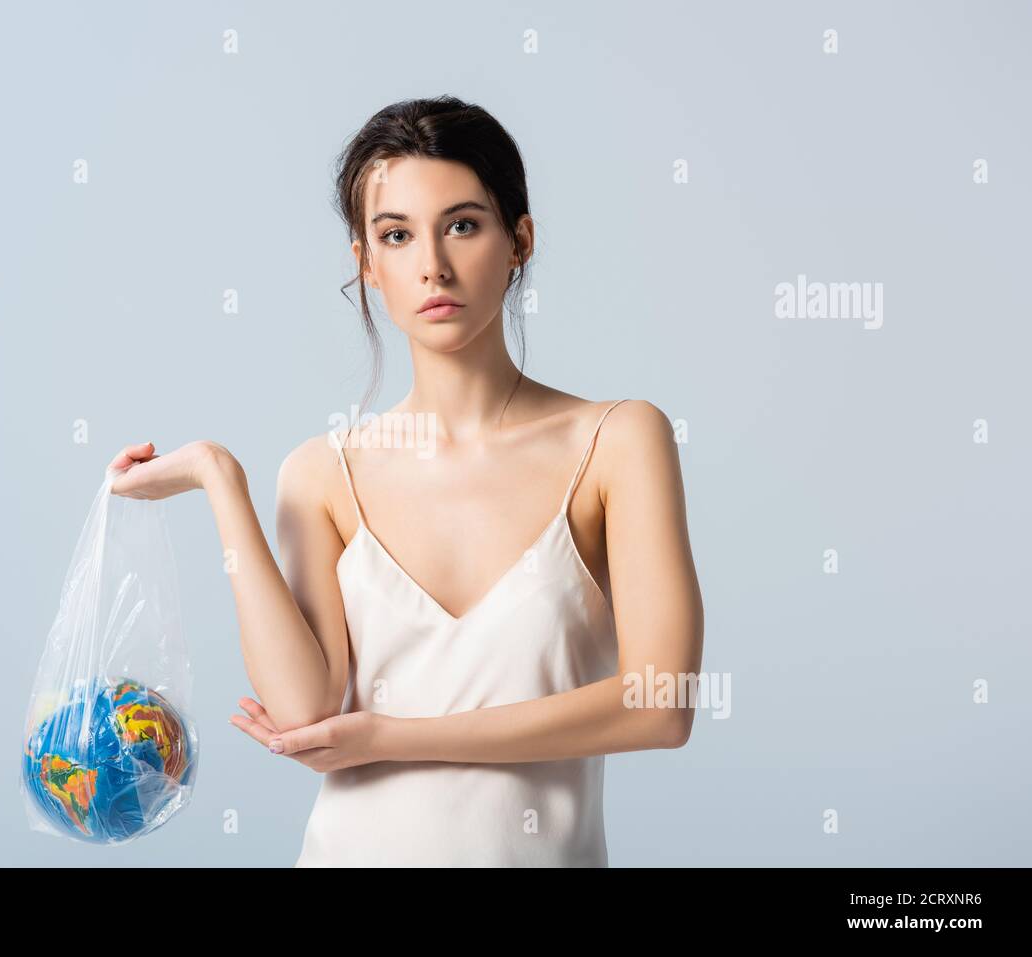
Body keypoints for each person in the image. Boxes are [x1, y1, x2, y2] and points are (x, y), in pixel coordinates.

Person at [107, 95, 704, 866]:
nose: (433, 264)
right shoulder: (322, 474)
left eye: (463, 223)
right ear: (367, 263)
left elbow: (661, 706)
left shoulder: (619, 440)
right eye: (397, 235)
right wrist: (220, 481)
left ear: (519, 239)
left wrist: (394, 737)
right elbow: (303, 711)